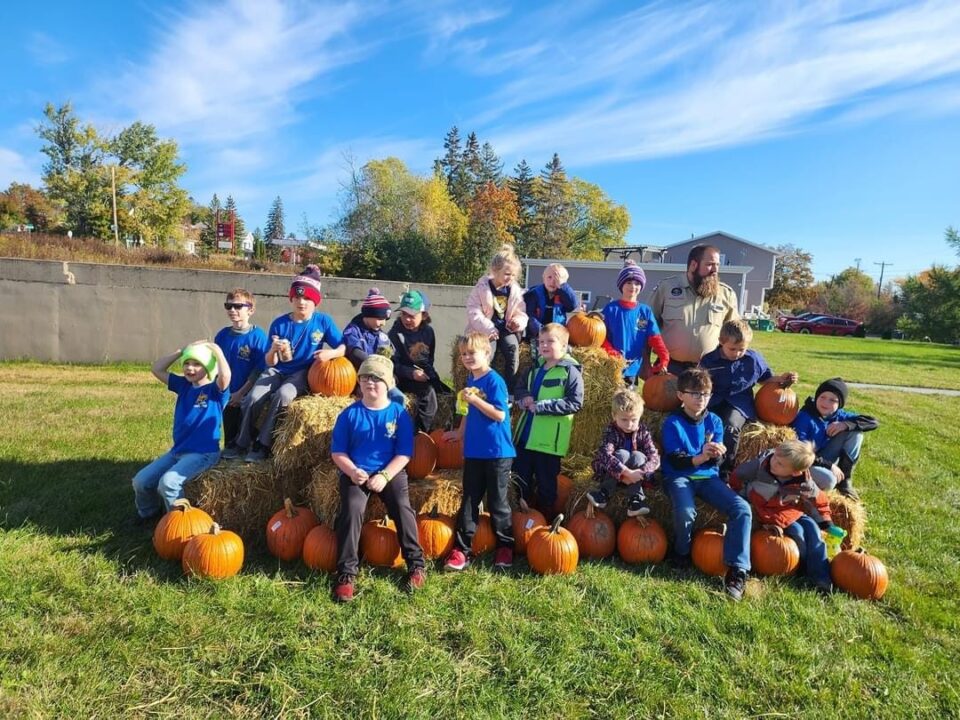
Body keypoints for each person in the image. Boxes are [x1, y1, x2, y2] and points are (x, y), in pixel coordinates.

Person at [330, 355, 426, 602]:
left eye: (376, 378)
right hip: (357, 472)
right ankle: (346, 574)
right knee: (351, 510)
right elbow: (338, 452)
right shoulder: (349, 415)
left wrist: (384, 475)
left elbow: (404, 453)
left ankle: (416, 564)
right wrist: (352, 471)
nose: (370, 382)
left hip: (389, 471)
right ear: (358, 382)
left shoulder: (399, 414)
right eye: (365, 377)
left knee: (402, 507)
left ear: (388, 383)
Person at [228, 265, 345, 462]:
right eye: (297, 297)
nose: (302, 302)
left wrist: (331, 353)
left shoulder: (323, 321)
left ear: (316, 301)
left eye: (307, 298)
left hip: (302, 372)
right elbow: (269, 361)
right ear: (291, 299)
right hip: (276, 369)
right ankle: (241, 442)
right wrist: (274, 350)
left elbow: (343, 346)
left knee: (283, 395)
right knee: (253, 398)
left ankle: (262, 444)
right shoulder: (280, 323)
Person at [660, 368, 752, 601]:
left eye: (706, 394)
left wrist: (718, 453)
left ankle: (737, 570)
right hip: (680, 476)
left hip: (708, 477)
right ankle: (682, 553)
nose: (702, 399)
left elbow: (719, 459)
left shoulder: (714, 421)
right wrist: (700, 457)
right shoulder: (673, 422)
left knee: (742, 509)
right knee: (685, 511)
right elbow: (675, 460)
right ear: (681, 395)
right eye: (696, 394)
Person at [132, 342, 231, 523]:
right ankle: (149, 515)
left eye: (196, 364)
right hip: (178, 451)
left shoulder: (215, 391)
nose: (190, 368)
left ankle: (179, 524)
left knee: (168, 483)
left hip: (203, 453)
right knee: (141, 481)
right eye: (187, 363)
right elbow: (157, 369)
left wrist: (217, 351)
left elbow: (225, 376)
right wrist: (181, 352)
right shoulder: (183, 386)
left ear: (208, 367)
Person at [443, 332, 516, 571]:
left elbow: (499, 414)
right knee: (469, 501)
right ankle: (462, 550)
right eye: (463, 354)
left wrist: (475, 400)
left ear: (487, 353)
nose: (467, 357)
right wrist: (460, 433)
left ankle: (505, 546)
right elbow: (466, 412)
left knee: (497, 501)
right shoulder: (470, 382)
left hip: (497, 452)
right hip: (474, 451)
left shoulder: (494, 381)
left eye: (472, 353)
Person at [732, 440, 836, 593]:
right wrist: (738, 494)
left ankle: (821, 577)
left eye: (780, 464)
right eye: (774, 457)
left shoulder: (804, 482)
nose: (773, 462)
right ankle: (803, 567)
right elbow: (738, 475)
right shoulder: (760, 466)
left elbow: (817, 500)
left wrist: (825, 520)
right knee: (798, 533)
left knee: (813, 529)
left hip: (790, 510)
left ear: (795, 472)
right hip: (766, 511)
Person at [699, 319, 798, 479]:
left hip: (738, 403)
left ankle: (724, 469)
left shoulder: (753, 359)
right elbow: (700, 383)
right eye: (732, 349)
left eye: (742, 349)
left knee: (730, 428)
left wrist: (783, 379)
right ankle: (698, 463)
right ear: (721, 342)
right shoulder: (709, 360)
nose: (737, 353)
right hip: (713, 399)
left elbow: (766, 379)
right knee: (700, 424)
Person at [512, 323, 584, 516]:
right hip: (525, 439)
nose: (544, 345)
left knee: (546, 485)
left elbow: (574, 402)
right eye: (541, 341)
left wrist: (543, 407)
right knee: (521, 481)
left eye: (550, 341)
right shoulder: (533, 370)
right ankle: (522, 519)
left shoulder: (570, 371)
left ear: (563, 345)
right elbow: (518, 389)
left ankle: (545, 520)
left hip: (548, 443)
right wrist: (523, 396)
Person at [650, 244, 739, 374]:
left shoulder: (726, 294)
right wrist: (645, 364)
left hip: (709, 370)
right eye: (710, 264)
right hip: (669, 368)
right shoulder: (667, 287)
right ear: (693, 265)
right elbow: (648, 326)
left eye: (717, 265)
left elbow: (735, 334)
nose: (715, 269)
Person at [791, 378, 878, 499]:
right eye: (822, 397)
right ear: (816, 397)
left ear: (839, 404)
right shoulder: (805, 417)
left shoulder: (839, 415)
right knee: (829, 481)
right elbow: (800, 453)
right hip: (806, 462)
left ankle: (845, 481)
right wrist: (830, 466)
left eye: (833, 400)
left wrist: (845, 425)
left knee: (856, 432)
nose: (826, 402)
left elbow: (873, 422)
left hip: (826, 457)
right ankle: (823, 481)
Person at [465, 244, 529, 397]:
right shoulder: (481, 288)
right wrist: (488, 328)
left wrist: (517, 322)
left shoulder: (514, 291)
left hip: (506, 329)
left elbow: (521, 311)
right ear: (494, 270)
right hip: (486, 329)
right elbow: (473, 311)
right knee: (487, 354)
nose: (510, 278)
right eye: (507, 274)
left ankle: (508, 388)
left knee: (513, 349)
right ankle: (484, 387)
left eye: (513, 275)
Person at [586, 388, 660, 518]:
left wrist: (640, 473)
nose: (629, 424)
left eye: (634, 420)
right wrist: (626, 472)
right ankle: (604, 493)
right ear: (614, 416)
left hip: (636, 477)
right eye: (624, 420)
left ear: (640, 417)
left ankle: (635, 500)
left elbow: (654, 457)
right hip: (613, 474)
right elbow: (605, 455)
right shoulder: (611, 431)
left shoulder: (643, 432)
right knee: (622, 454)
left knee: (638, 456)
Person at [214, 289, 270, 455]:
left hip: (246, 395)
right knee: (230, 435)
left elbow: (259, 369)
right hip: (226, 394)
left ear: (250, 310)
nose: (232, 310)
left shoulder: (258, 336)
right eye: (228, 306)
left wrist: (241, 393)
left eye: (238, 306)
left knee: (246, 434)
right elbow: (217, 366)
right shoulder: (222, 335)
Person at [388, 289, 451, 433]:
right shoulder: (395, 334)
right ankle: (420, 435)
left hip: (422, 375)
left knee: (447, 395)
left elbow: (429, 360)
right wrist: (411, 373)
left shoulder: (428, 332)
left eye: (412, 315)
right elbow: (392, 365)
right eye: (404, 314)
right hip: (402, 378)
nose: (407, 319)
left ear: (424, 315)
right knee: (428, 395)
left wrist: (433, 377)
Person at [601, 260, 670, 384]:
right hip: (612, 366)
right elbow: (600, 336)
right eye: (628, 282)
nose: (633, 286)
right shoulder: (611, 309)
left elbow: (654, 337)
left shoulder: (645, 311)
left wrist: (664, 356)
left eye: (637, 283)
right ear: (621, 285)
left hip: (633, 368)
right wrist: (612, 353)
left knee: (629, 400)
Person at [523, 263, 579, 341]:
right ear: (543, 278)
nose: (553, 282)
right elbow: (530, 316)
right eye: (549, 277)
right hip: (537, 335)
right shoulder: (534, 294)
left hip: (557, 335)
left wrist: (563, 287)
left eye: (557, 279)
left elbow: (572, 305)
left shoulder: (563, 295)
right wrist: (543, 332)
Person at [342, 287, 394, 369]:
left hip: (377, 373)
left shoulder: (381, 335)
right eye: (380, 319)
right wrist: (373, 363)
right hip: (356, 373)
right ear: (368, 315)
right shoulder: (353, 331)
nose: (383, 323)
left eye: (385, 319)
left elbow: (390, 352)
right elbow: (354, 351)